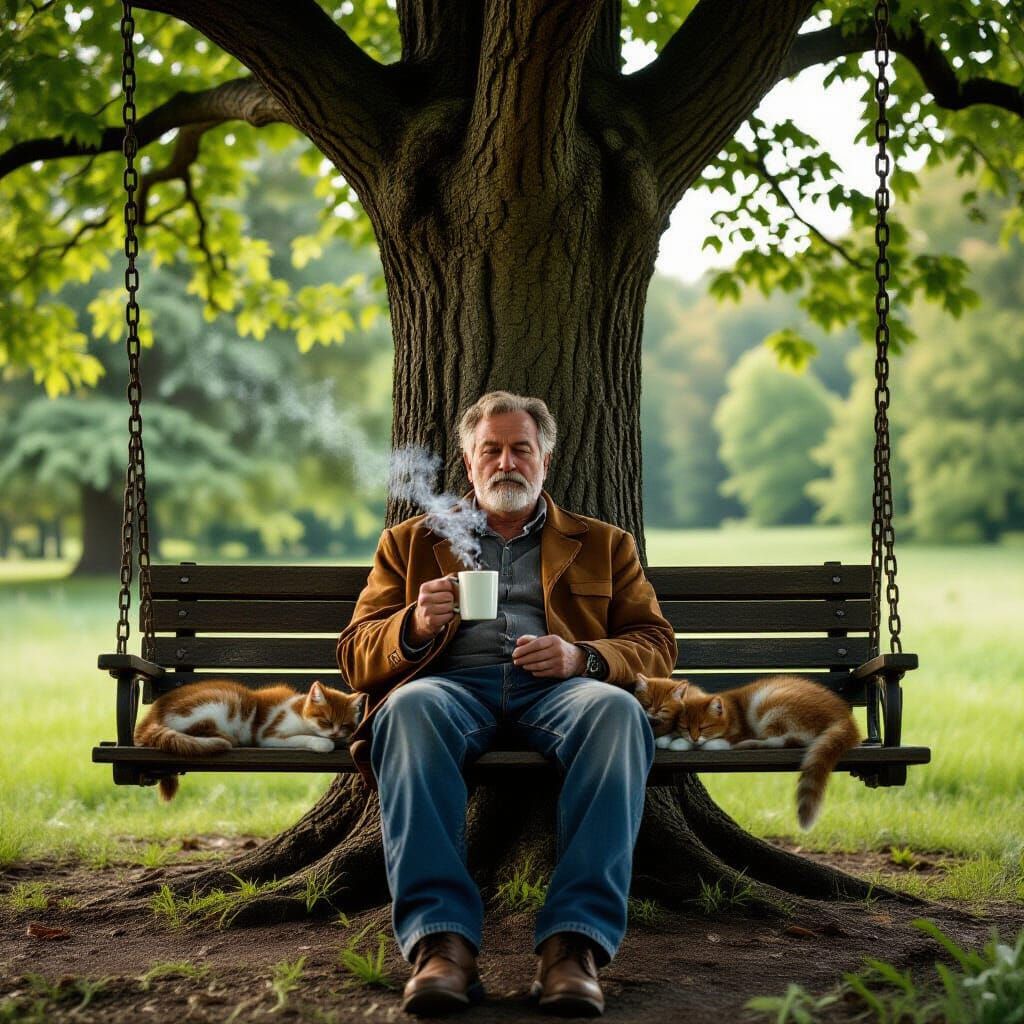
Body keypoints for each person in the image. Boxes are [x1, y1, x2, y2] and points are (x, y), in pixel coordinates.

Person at [337, 391, 677, 1017]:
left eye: (521, 448)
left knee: (617, 714)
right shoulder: (411, 543)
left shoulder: (604, 543)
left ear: (546, 458)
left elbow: (655, 644)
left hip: (559, 691)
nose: (505, 462)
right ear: (468, 463)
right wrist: (411, 625)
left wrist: (584, 658)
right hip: (449, 688)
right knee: (408, 712)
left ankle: (574, 947)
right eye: (489, 450)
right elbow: (357, 653)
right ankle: (442, 946)